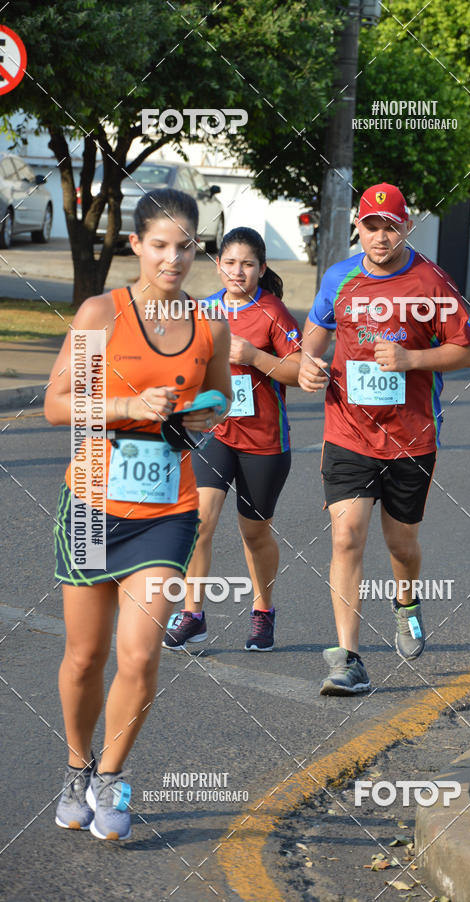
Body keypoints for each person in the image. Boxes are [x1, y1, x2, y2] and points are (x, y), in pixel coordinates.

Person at [45, 188, 231, 839]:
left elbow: (223, 400)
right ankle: (76, 766)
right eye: (160, 245)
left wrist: (202, 416)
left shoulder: (209, 324)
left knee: (141, 654)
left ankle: (110, 778)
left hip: (166, 511)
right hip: (94, 505)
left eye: (185, 246)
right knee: (84, 656)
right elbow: (59, 405)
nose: (173, 258)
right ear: (136, 245)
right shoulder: (104, 314)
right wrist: (129, 408)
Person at [298, 182, 470, 695]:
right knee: (345, 535)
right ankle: (347, 659)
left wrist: (411, 359)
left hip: (411, 437)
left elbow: (466, 352)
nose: (380, 236)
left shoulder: (431, 281)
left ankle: (406, 603)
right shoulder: (339, 277)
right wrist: (309, 361)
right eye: (371, 226)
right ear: (358, 226)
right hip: (348, 430)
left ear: (407, 226)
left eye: (390, 226)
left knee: (402, 543)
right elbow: (316, 329)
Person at [162, 227, 302, 653]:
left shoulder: (274, 312)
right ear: (218, 264)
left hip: (263, 441)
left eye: (247, 264)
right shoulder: (202, 310)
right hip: (214, 433)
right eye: (230, 262)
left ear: (260, 268)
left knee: (254, 534)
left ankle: (263, 612)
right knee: (198, 523)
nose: (237, 271)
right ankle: (193, 615)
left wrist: (253, 357)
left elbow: (299, 373)